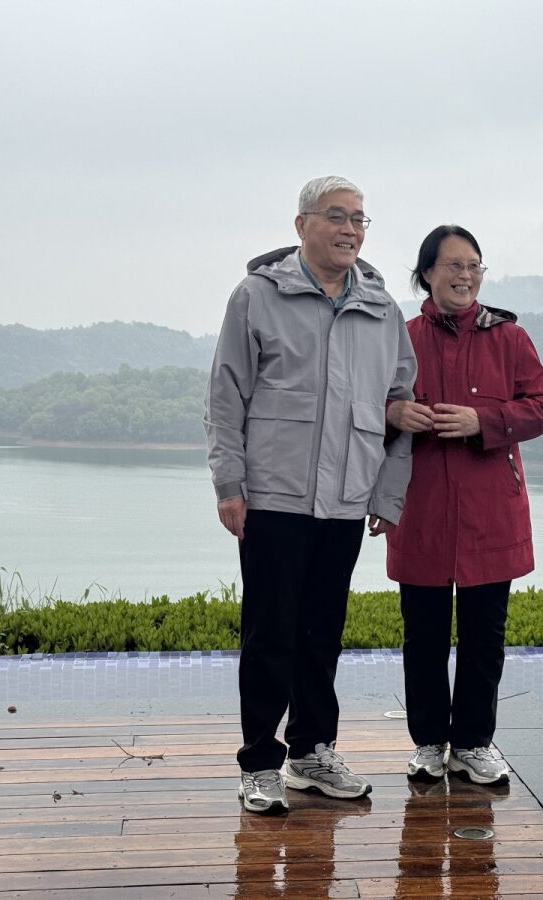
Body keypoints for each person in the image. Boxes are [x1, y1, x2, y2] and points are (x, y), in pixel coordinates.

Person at [205, 176, 416, 814]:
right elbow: (225, 396)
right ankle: (260, 763)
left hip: (347, 498)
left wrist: (388, 491)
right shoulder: (257, 296)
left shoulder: (382, 310)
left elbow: (400, 407)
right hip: (273, 496)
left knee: (323, 631)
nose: (350, 229)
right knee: (270, 631)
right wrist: (229, 485)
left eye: (359, 219)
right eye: (336, 216)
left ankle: (311, 753)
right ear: (302, 226)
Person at [384, 225, 543, 785]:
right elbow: (365, 402)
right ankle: (430, 742)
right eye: (453, 265)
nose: (464, 275)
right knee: (424, 635)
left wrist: (485, 421)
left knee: (485, 635)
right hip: (421, 508)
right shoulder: (401, 337)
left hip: (491, 513)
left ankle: (475, 744)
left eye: (474, 266)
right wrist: (394, 413)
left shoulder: (510, 338)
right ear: (426, 273)